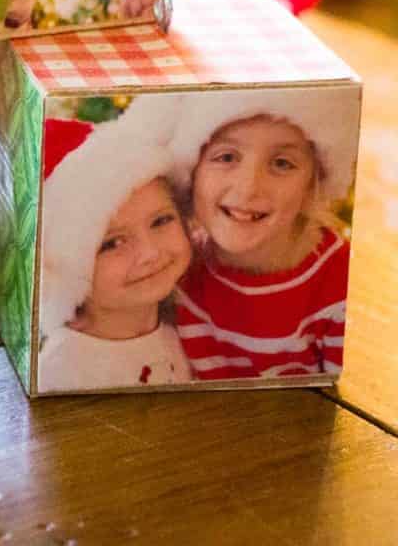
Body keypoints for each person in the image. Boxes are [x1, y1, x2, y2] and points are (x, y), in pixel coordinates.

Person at [169, 91, 360, 380]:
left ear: (313, 184)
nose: (248, 188)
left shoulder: (340, 288)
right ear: (192, 173)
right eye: (226, 157)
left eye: (282, 163)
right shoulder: (174, 265)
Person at [37, 101, 192, 392]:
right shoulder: (61, 371)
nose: (150, 253)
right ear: (66, 266)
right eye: (112, 243)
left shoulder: (184, 330)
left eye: (160, 221)